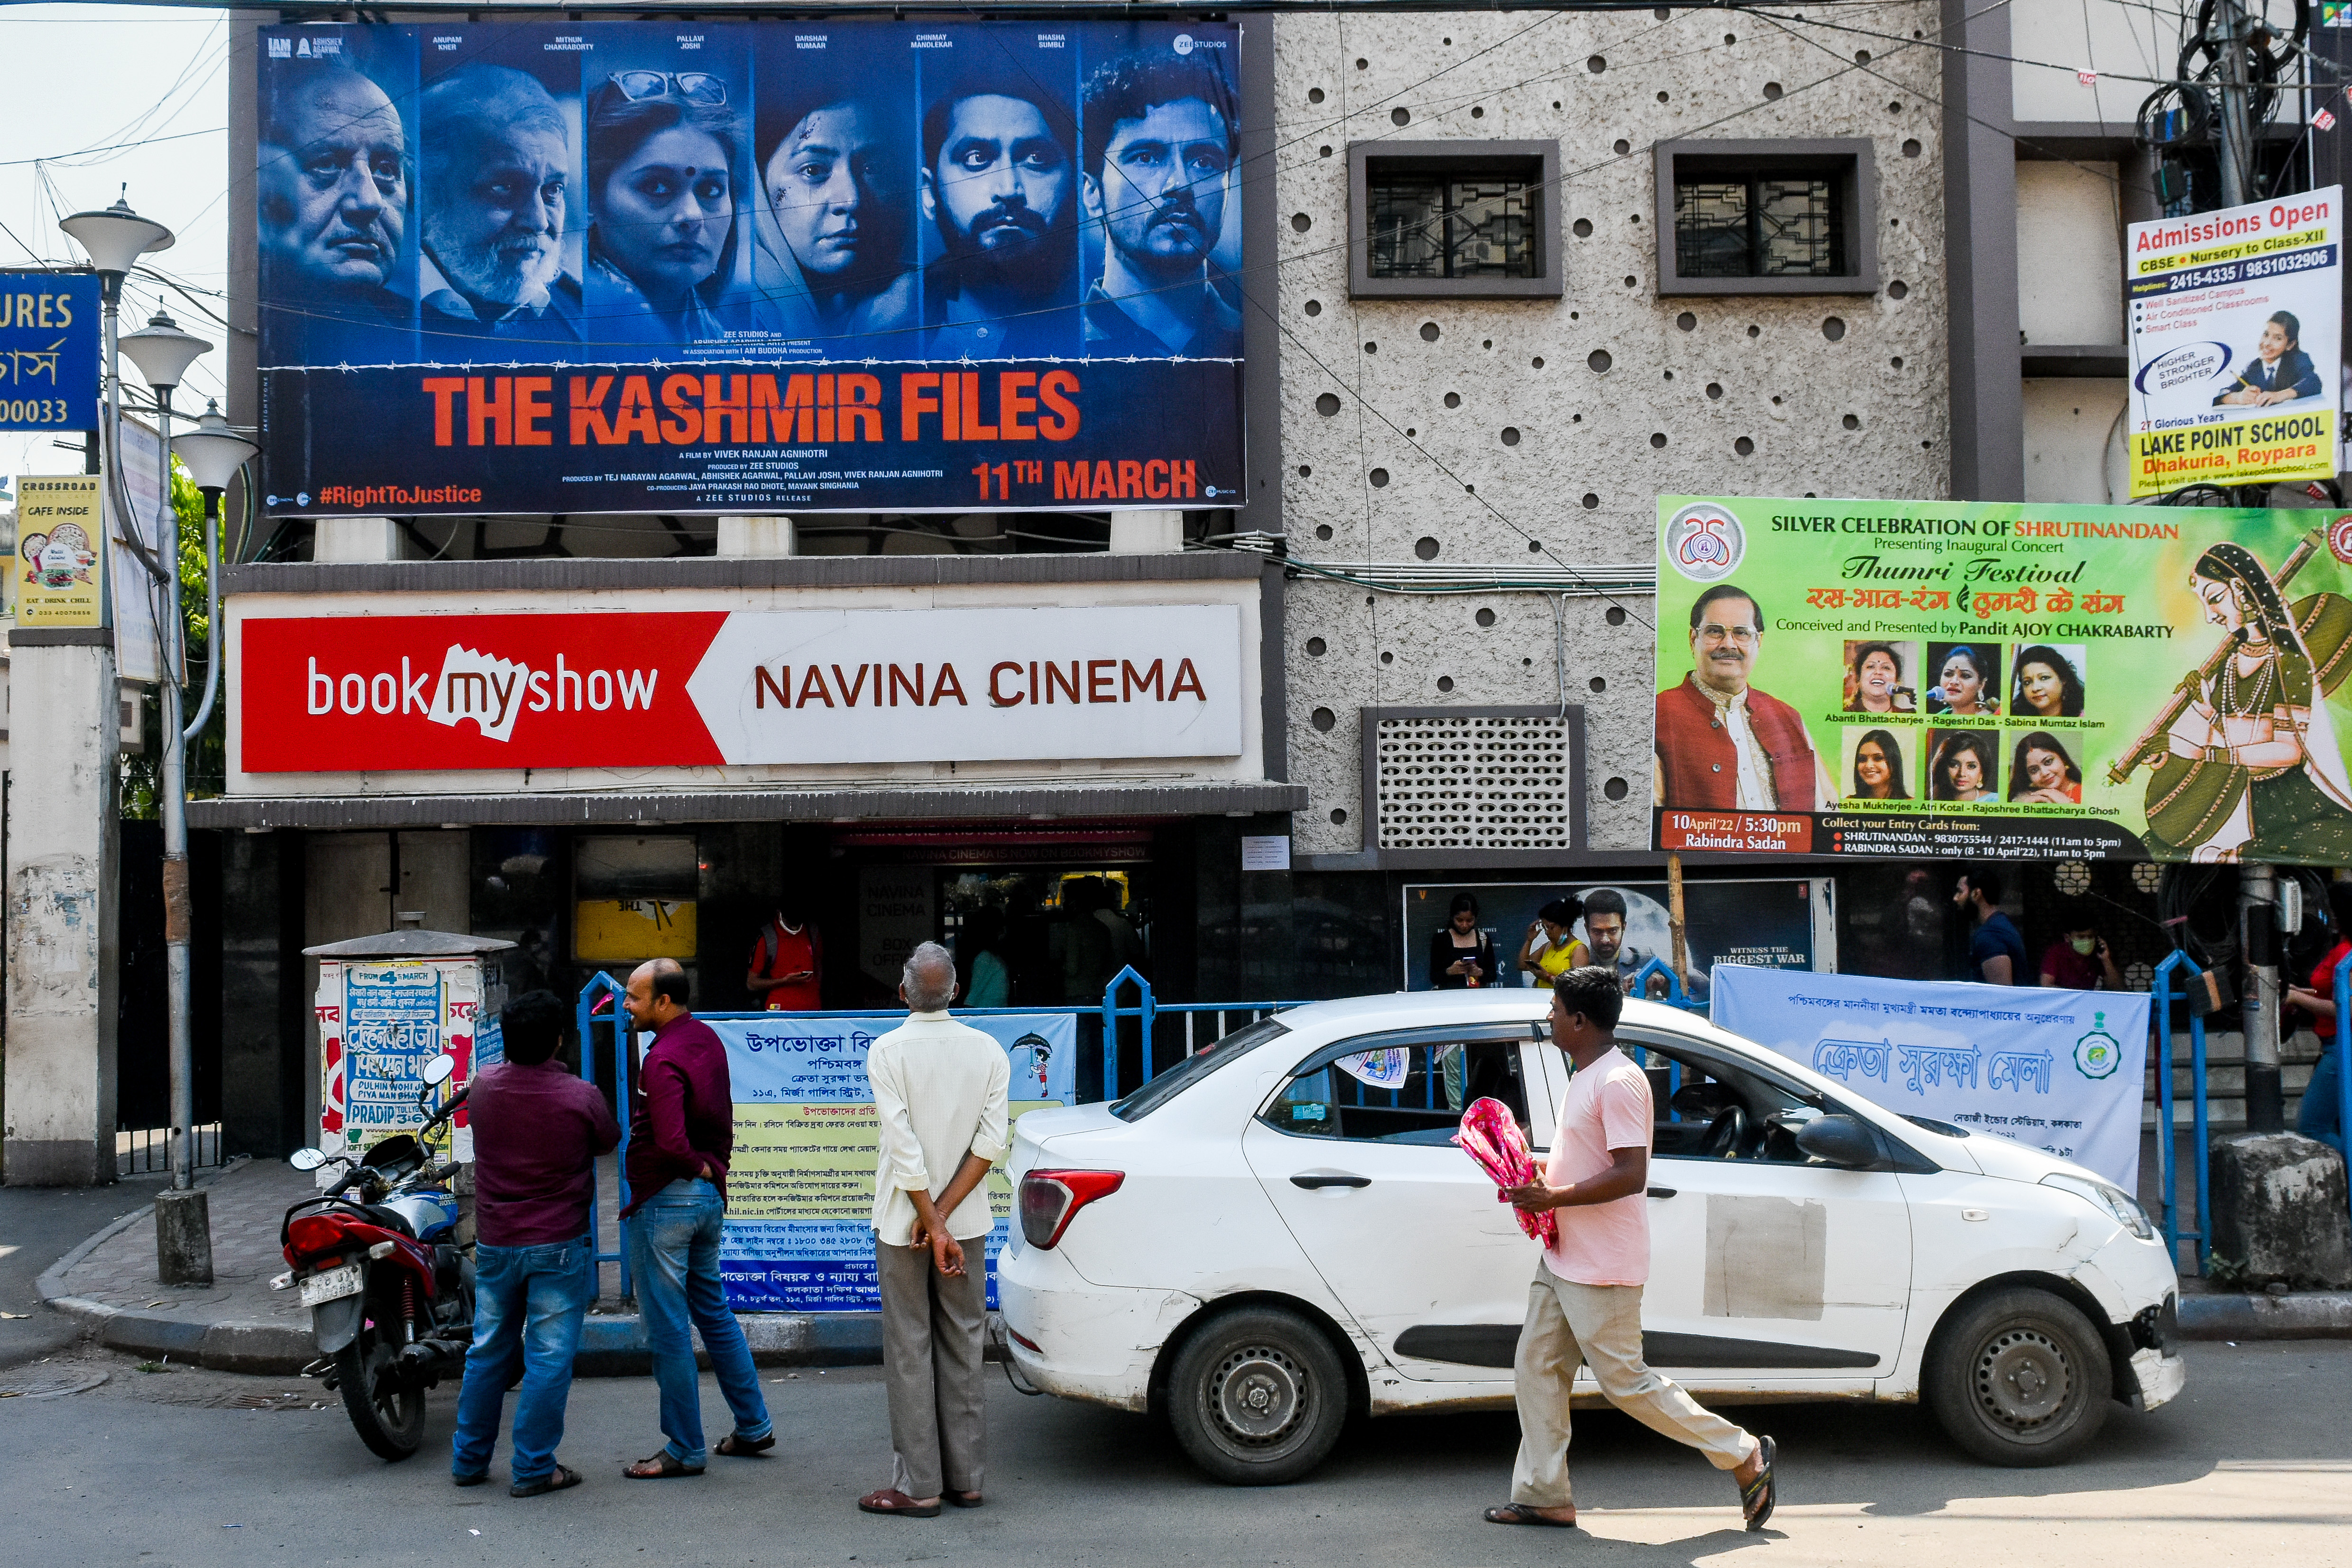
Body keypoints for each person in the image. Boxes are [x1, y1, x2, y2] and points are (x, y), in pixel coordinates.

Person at [1485, 967, 1774, 1531]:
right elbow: (1592, 1160)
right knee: (1537, 1366)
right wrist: (1535, 1171)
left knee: (1628, 1384)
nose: (1548, 1017)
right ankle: (1544, 1494)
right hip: (1564, 1253)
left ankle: (1742, 1454)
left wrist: (1554, 1193)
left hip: (1602, 1265)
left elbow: (1630, 1173)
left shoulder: (1617, 1081)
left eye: (1554, 1008)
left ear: (1579, 1019)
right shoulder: (1587, 1073)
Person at [858, 942, 1011, 1518]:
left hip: (906, 1224)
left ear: (902, 993)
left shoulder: (887, 1050)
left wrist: (929, 1220)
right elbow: (991, 1145)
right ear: (956, 992)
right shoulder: (988, 1050)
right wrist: (946, 1220)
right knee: (964, 1341)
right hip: (964, 1222)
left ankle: (919, 1485)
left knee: (908, 1347)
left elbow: (903, 1147)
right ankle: (965, 1479)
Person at [451, 989, 619, 1498]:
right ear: (559, 1039)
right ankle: (532, 1466)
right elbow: (608, 1140)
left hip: (498, 1241)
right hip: (558, 1241)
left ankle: (469, 1460)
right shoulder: (580, 1095)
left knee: (487, 1351)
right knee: (547, 1357)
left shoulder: (482, 1088)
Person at [618, 958, 774, 1478]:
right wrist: (713, 1169)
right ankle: (753, 1425)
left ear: (664, 1001)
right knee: (714, 1312)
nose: (626, 1007)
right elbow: (720, 1116)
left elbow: (669, 1139)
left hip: (667, 1200)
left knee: (668, 1328)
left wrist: (696, 1164)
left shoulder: (660, 1058)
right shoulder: (705, 1038)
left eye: (635, 998)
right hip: (705, 1199)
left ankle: (685, 1448)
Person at [2145, 541, 2352, 862]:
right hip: (2233, 793)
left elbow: (2288, 750)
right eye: (2205, 603)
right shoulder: (2229, 662)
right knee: (2152, 846)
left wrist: (2203, 751)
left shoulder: (2289, 661)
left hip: (2287, 802)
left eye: (2215, 599)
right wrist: (2185, 735)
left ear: (2242, 589)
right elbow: (2234, 736)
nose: (2210, 616)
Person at [1079, 51, 1242, 357]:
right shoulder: (1057, 345)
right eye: (1147, 158)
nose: (1180, 185)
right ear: (1093, 192)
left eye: (1204, 162)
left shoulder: (1256, 342)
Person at [258, 60, 413, 360]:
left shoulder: (437, 341)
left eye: (385, 169)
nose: (370, 202)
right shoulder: (259, 344)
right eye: (326, 164)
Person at [919, 74, 1082, 358]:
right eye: (976, 159)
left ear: (1077, 186)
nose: (1009, 189)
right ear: (930, 194)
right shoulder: (890, 320)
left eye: (1037, 159)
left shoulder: (1106, 313)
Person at [417, 65, 582, 342]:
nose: (539, 221)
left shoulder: (579, 314)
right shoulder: (365, 315)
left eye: (552, 190)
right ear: (427, 195)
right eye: (504, 188)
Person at [753, 89, 918, 347]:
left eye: (871, 169)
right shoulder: (731, 311)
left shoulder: (923, 303)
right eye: (813, 170)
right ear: (759, 185)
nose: (851, 199)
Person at [586, 71, 739, 346]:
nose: (692, 216)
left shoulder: (723, 346)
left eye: (711, 190)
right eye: (657, 187)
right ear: (591, 199)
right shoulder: (568, 332)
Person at [1654, 585, 1835, 811]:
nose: (1728, 644)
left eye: (1741, 633)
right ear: (1693, 639)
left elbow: (1828, 814)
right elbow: (1648, 826)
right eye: (1715, 631)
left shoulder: (1787, 718)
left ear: (1758, 642)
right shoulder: (1660, 715)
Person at [2283, 880, 2352, 1154]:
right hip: (2334, 1046)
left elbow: (2347, 1009)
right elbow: (2333, 992)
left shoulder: (2348, 954)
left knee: (2314, 1126)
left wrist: (2299, 999)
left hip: (2342, 1048)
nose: (2329, 917)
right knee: (2339, 1125)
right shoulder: (2342, 948)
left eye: (2333, 911)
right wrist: (2303, 992)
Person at [2215, 310, 2322, 406]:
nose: (2267, 344)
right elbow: (2224, 393)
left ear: (2290, 345)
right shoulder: (2253, 368)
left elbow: (2313, 382)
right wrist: (2237, 398)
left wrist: (2279, 395)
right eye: (2266, 335)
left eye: (2278, 339)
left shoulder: (2299, 360)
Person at [1955, 866, 2025, 985]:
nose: (1956, 898)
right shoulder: (1999, 926)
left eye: (1961, 892)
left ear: (1977, 894)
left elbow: (2001, 994)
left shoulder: (1990, 935)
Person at [746, 903, 821, 1011]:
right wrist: (785, 981)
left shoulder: (812, 932)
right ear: (779, 913)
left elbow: (818, 965)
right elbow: (751, 984)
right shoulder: (767, 938)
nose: (794, 928)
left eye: (797, 923)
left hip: (813, 1009)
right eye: (790, 923)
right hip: (778, 1010)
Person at [2037, 900, 2125, 990]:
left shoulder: (2097, 955)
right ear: (2067, 938)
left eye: (2090, 937)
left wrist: (2106, 960)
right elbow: (2046, 985)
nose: (2087, 941)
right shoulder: (2056, 953)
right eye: (2081, 937)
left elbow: (2118, 988)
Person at [1430, 892, 1496, 989]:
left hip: (1478, 997)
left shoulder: (1483, 938)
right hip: (1449, 997)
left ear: (1475, 918)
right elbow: (1434, 977)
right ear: (1452, 918)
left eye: (1470, 921)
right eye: (1460, 920)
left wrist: (1480, 973)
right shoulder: (1441, 940)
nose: (1465, 925)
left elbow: (1493, 975)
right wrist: (1449, 971)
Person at [1518, 898, 1587, 986]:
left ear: (1565, 927)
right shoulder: (1549, 946)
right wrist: (1529, 940)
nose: (1547, 932)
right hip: (1542, 999)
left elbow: (1577, 986)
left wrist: (1547, 977)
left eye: (1551, 928)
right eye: (1544, 928)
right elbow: (1523, 966)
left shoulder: (1579, 949)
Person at [2011, 645, 2085, 720]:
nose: (2035, 688)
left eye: (2044, 678)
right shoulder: (2014, 718)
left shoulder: (2085, 718)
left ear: (2063, 679)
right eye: (2027, 682)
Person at [958, 907, 1012, 1009]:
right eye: (1001, 928)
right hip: (986, 1017)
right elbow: (973, 995)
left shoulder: (993, 956)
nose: (1004, 932)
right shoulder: (984, 958)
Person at [2008, 732, 2084, 804]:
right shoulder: (2029, 800)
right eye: (2034, 770)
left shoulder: (2086, 793)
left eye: (2048, 762)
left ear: (2063, 759)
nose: (2044, 773)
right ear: (2028, 777)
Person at [1929, 645, 2000, 717]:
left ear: (1981, 685)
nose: (1954, 682)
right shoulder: (1935, 721)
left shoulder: (1993, 720)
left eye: (1965, 676)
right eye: (1948, 674)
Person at [1842, 642, 1912, 714]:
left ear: (1897, 681)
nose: (1878, 672)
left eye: (1886, 668)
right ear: (1858, 679)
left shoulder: (1910, 716)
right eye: (1871, 667)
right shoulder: (1843, 716)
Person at [1929, 730, 1997, 802]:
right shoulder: (1930, 800)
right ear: (1943, 767)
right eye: (1954, 765)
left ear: (1982, 773)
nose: (1962, 773)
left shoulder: (1995, 801)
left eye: (1971, 766)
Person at [1850, 729, 1908, 801]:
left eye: (1878, 758)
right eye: (1862, 759)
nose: (1868, 765)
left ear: (1894, 762)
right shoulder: (1850, 802)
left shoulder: (1909, 804)